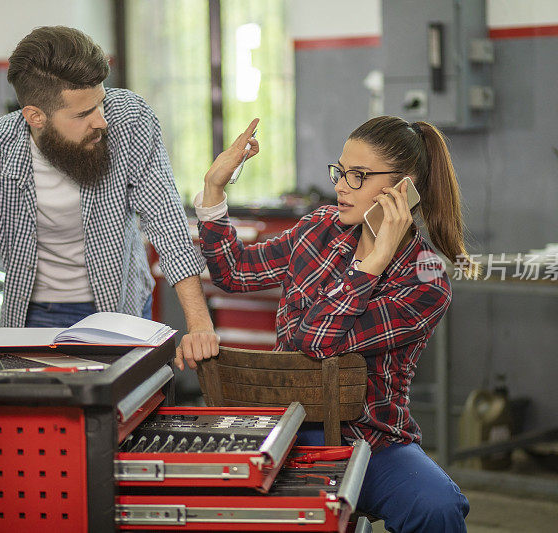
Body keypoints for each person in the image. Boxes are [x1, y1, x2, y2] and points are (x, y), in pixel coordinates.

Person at [182, 116, 472, 531]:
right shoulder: (321, 227)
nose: (340, 186)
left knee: (438, 506)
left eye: (359, 176)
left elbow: (316, 343)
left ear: (403, 189)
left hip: (372, 443)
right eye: (341, 171)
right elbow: (235, 272)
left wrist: (370, 263)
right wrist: (213, 190)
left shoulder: (425, 280)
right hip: (287, 429)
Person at [0, 26, 218, 362]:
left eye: (101, 102)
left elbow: (166, 222)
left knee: (127, 405)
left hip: (121, 308)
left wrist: (199, 324)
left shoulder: (131, 120)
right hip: (33, 317)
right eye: (82, 114)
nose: (102, 121)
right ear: (35, 117)